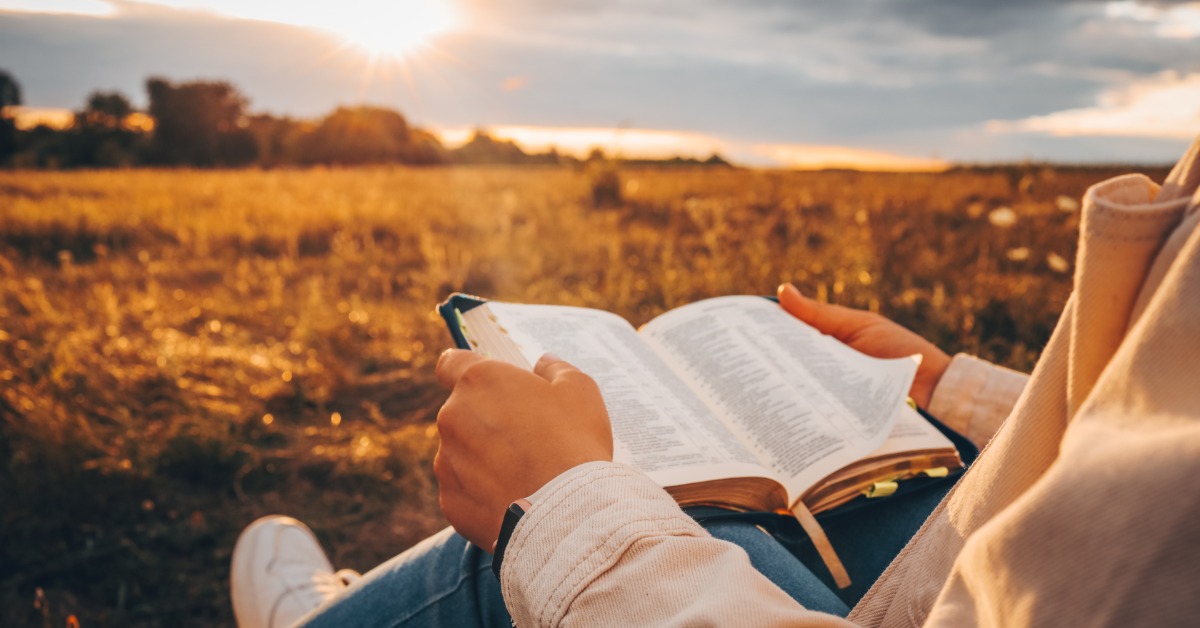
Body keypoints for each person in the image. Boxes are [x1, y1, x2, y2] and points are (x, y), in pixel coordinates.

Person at [230, 139, 1200, 627]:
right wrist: (964, 389)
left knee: (650, 511)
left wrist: (570, 517)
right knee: (729, 503)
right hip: (1049, 509)